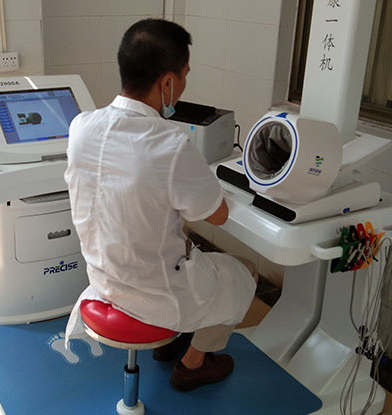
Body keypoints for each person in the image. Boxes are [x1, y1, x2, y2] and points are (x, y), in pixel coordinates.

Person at [64, 18, 257, 391]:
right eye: (184, 76)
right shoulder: (169, 144)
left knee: (180, 249)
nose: (183, 86)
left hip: (104, 280)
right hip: (155, 296)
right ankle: (193, 363)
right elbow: (218, 215)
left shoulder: (81, 127)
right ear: (168, 82)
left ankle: (166, 346)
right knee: (243, 271)